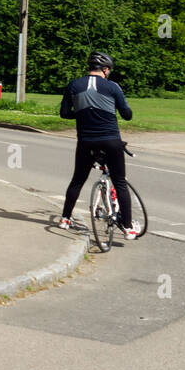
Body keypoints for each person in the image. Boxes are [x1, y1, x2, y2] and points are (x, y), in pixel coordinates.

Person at [57, 51, 142, 238]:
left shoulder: (74, 84)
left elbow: (64, 113)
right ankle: (128, 227)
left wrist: (81, 114)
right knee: (119, 182)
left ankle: (65, 218)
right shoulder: (113, 86)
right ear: (105, 69)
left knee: (78, 180)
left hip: (86, 141)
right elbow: (127, 115)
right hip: (111, 140)